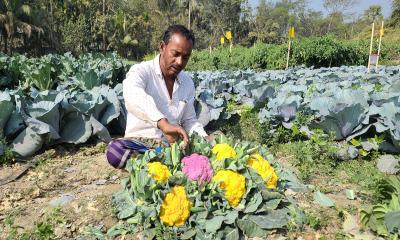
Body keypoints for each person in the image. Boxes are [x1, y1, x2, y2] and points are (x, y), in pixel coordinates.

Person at [106, 24, 209, 169]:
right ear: (162, 47)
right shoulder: (142, 72)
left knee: (213, 143)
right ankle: (164, 162)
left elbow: (189, 120)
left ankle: (163, 164)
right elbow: (133, 95)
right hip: (143, 144)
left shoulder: (187, 82)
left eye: (185, 57)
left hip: (172, 147)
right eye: (175, 54)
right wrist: (163, 124)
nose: (180, 62)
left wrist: (204, 138)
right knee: (115, 151)